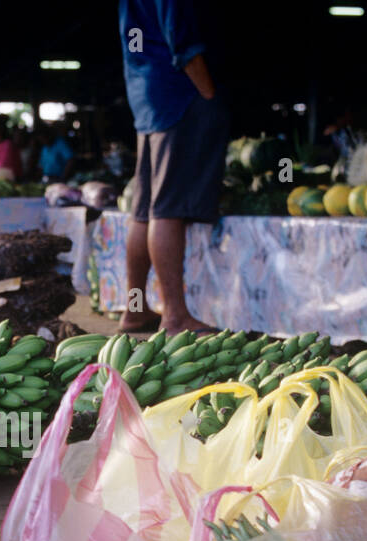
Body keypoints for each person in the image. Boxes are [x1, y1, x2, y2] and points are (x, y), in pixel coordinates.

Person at [118, 0, 228, 334]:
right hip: (177, 95)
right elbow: (182, 41)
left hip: (146, 93)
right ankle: (175, 315)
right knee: (167, 209)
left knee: (144, 210)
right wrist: (208, 93)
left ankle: (135, 310)